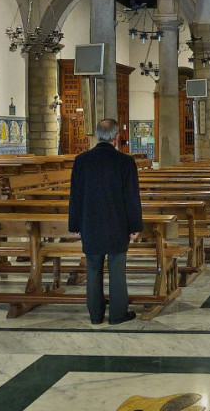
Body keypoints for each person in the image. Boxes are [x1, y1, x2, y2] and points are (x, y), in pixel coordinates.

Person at [68, 119, 143, 325]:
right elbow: (131, 197)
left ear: (97, 136)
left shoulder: (81, 160)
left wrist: (75, 225)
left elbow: (75, 195)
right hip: (117, 223)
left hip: (89, 223)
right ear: (117, 137)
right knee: (117, 270)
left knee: (93, 270)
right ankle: (118, 314)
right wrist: (135, 226)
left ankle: (95, 315)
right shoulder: (125, 162)